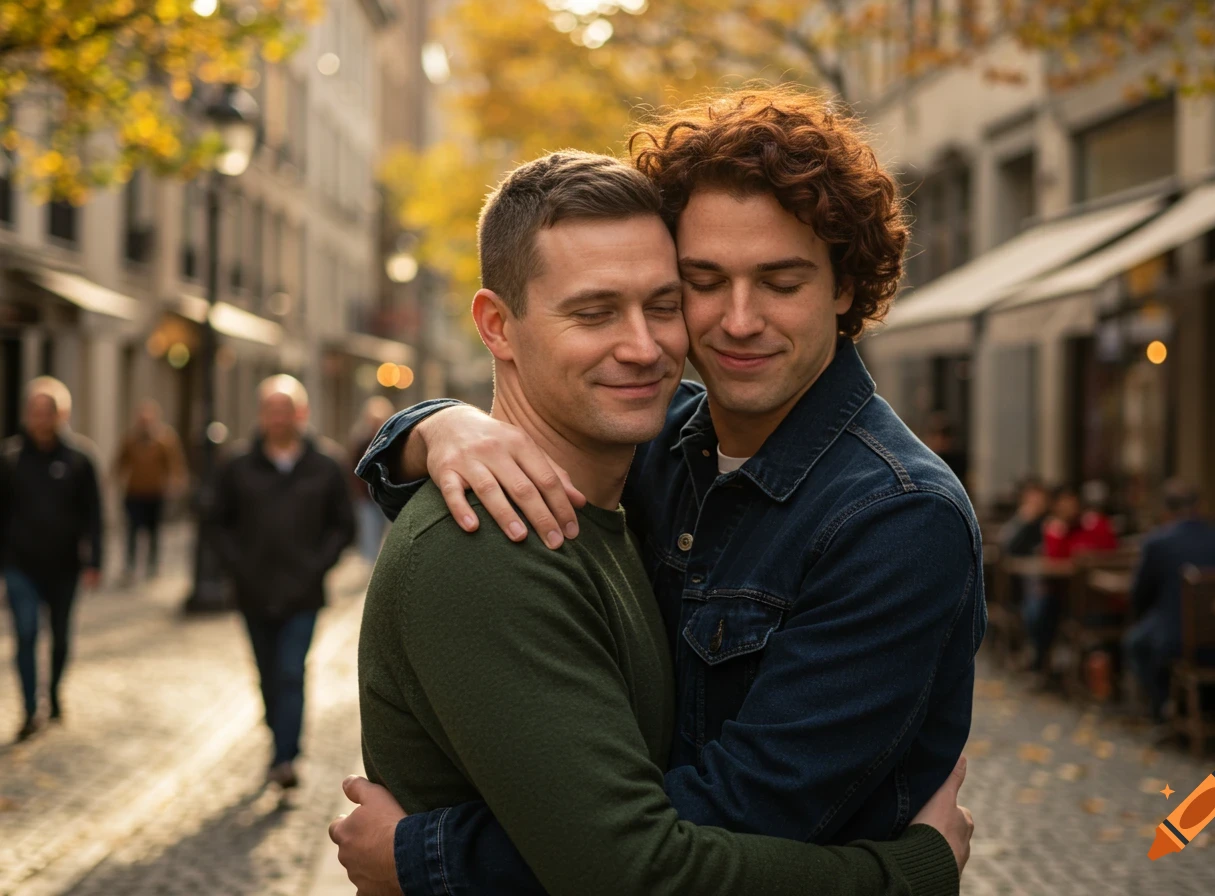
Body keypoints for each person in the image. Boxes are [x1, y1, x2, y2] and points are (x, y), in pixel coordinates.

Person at [340, 87, 984, 893]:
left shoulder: (895, 516)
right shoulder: (659, 441)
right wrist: (431, 428)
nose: (738, 321)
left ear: (845, 287)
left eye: (781, 282)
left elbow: (695, 834)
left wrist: (427, 858)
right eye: (704, 283)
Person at [209, 375, 354, 789]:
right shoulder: (238, 467)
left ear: (300, 414)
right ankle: (279, 734)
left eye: (285, 410)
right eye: (271, 410)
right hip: (253, 591)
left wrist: (316, 565)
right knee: (267, 674)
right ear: (261, 416)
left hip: (302, 593)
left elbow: (342, 526)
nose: (278, 418)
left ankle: (285, 757)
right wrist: (237, 565)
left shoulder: (325, 465)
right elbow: (216, 523)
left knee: (291, 671)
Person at [0, 378, 102, 741]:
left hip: (64, 567)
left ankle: (54, 693)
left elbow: (94, 514)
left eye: (49, 412)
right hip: (20, 565)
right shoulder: (10, 459)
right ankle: (30, 708)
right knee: (26, 633)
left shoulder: (80, 459)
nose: (41, 420)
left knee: (60, 638)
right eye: (35, 412)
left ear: (62, 415)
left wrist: (96, 562)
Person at [1124, 481, 1215, 723]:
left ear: (1166, 511)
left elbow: (1140, 594)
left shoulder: (1157, 542)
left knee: (1135, 642)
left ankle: (1163, 708)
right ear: (1200, 506)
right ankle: (1208, 703)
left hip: (1178, 640)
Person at [1023, 485, 1118, 672]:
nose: (1068, 508)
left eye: (1072, 503)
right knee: (1039, 609)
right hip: (1064, 594)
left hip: (1098, 595)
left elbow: (1110, 551)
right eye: (1063, 504)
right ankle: (1042, 662)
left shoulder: (1096, 524)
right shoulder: (1054, 529)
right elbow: (1054, 562)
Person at [113, 399, 187, 582]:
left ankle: (152, 565)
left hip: (155, 493)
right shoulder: (130, 440)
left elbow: (175, 464)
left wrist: (176, 483)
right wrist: (115, 481)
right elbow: (120, 463)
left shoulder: (165, 440)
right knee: (132, 531)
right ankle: (130, 566)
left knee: (154, 532)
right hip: (134, 492)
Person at [348, 396, 395, 565]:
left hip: (388, 496)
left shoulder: (394, 441)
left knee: (390, 536)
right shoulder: (361, 442)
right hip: (367, 498)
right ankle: (371, 567)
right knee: (369, 535)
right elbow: (352, 468)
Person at [999, 478, 1049, 559]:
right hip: (1017, 567)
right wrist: (1023, 521)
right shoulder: (1018, 521)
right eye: (1032, 498)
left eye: (1039, 498)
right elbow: (1006, 547)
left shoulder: (1050, 522)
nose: (1036, 502)